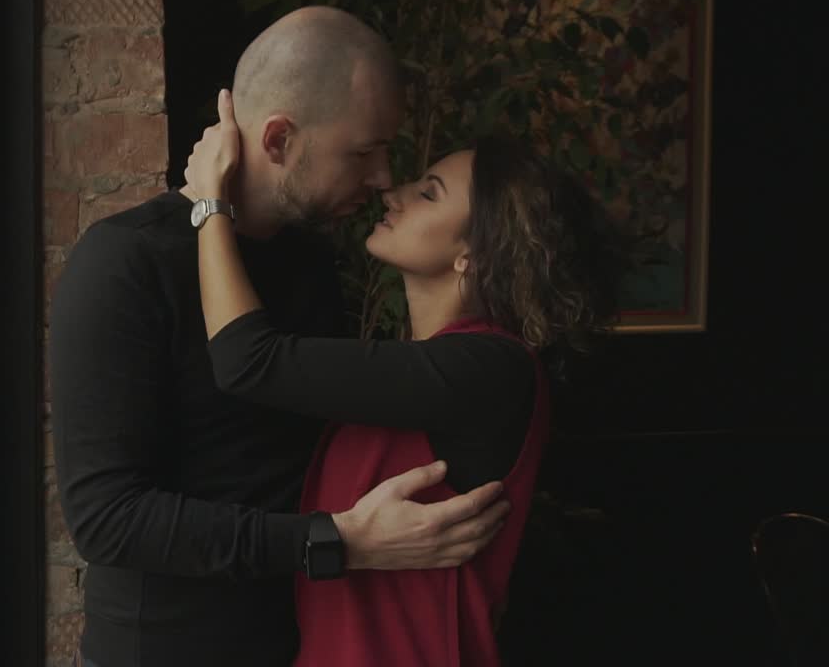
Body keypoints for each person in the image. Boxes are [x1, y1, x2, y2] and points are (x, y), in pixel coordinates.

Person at [50, 6, 513, 667]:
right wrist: (337, 541)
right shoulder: (124, 263)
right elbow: (107, 518)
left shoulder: (312, 260)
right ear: (277, 140)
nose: (385, 177)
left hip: (300, 642)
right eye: (364, 151)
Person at [185, 86, 621, 665]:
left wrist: (210, 201)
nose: (394, 191)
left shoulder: (492, 369)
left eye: (429, 193)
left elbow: (248, 360)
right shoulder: (422, 368)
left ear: (476, 254)